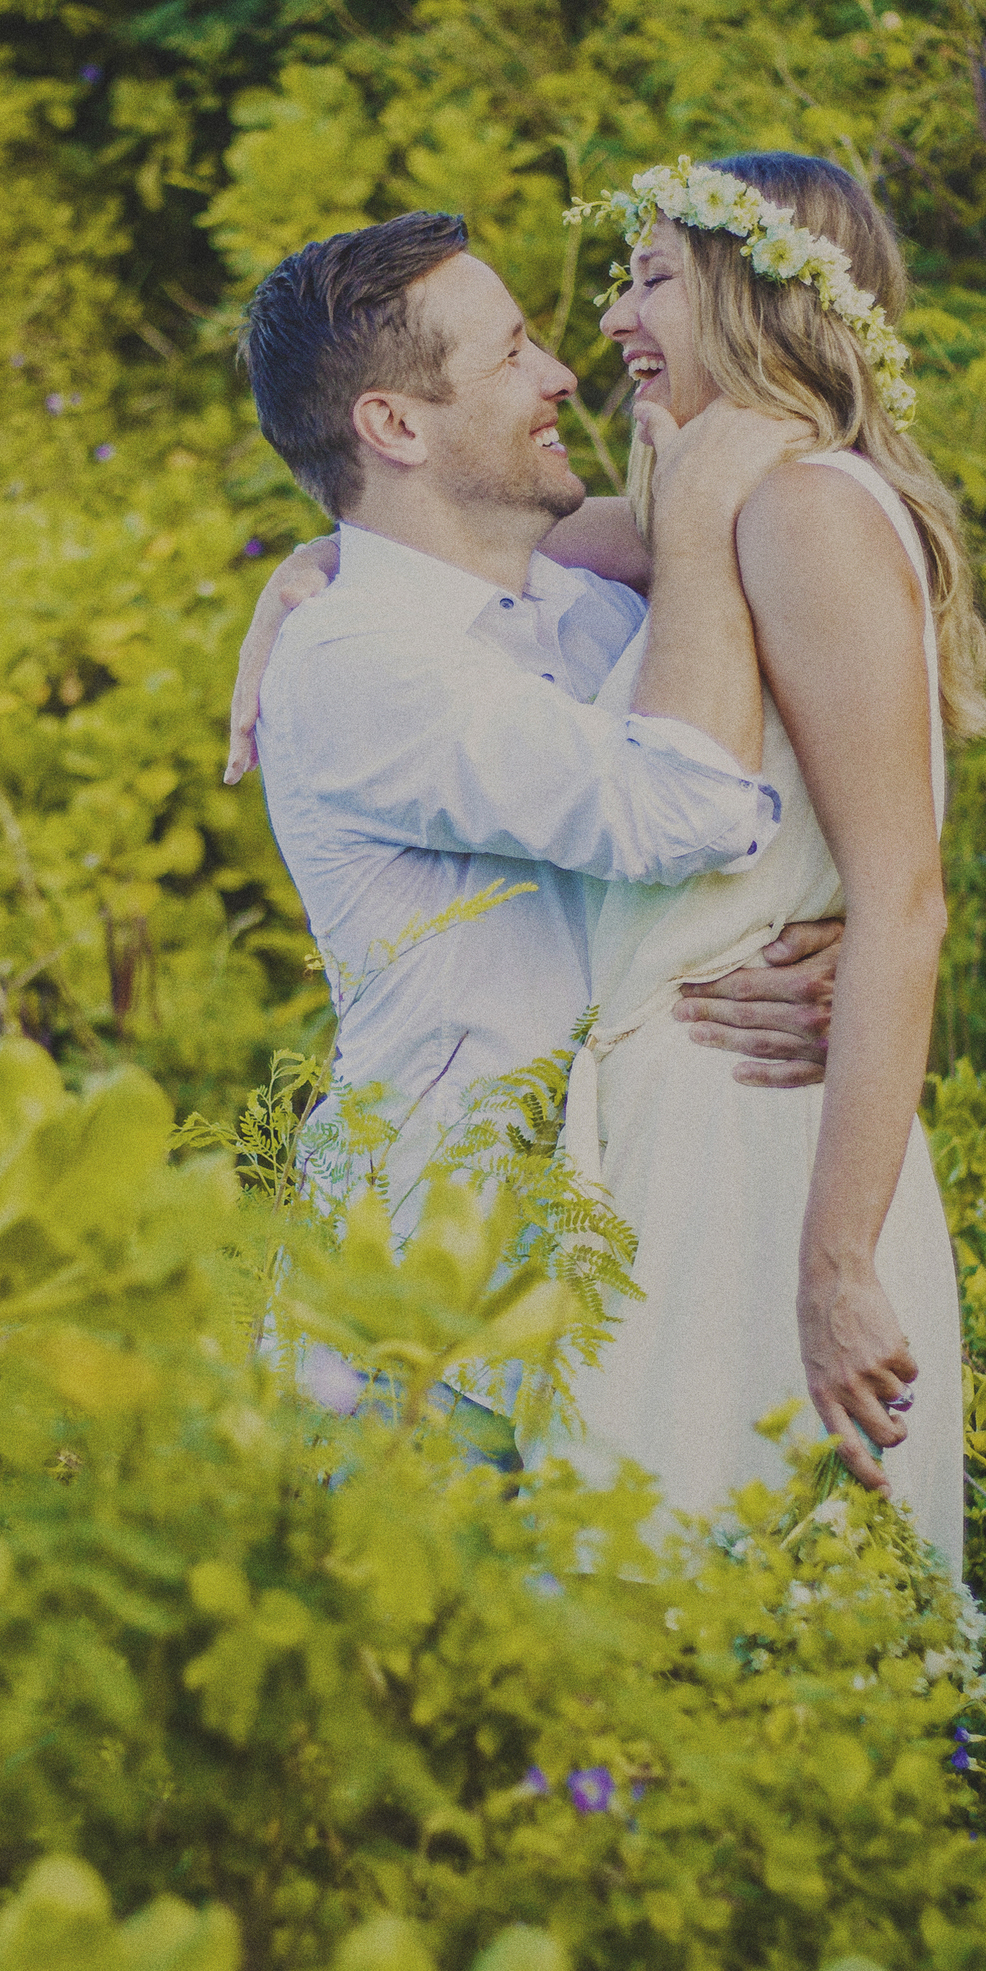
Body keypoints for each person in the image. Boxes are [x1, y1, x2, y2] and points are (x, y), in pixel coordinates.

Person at [226, 209, 846, 1448]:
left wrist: (830, 940)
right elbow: (693, 806)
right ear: (394, 425)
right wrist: (705, 500)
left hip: (611, 1298)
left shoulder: (585, 618)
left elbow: (749, 829)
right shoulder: (359, 663)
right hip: (425, 1350)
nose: (564, 373)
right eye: (511, 353)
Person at [553, 150, 986, 1570]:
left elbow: (904, 904)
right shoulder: (710, 513)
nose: (617, 317)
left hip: (764, 1148)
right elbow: (481, 542)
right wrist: (298, 583)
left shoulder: (806, 510)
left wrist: (837, 1266)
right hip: (673, 1134)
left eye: (655, 279)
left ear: (755, 293)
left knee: (753, 1625)